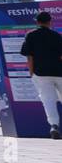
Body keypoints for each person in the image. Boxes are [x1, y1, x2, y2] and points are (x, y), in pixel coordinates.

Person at [20, 11, 62, 140]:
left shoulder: (30, 35)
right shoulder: (57, 36)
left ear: (37, 22)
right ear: (50, 22)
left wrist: (31, 73)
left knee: (48, 100)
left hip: (40, 73)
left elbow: (29, 56)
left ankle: (54, 126)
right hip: (59, 72)